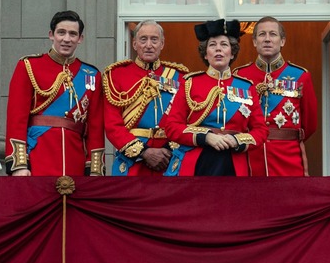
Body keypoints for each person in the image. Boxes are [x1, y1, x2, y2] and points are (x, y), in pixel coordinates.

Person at [159, 19, 268, 176]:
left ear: (232, 53)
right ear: (205, 53)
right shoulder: (190, 83)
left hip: (233, 162)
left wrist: (238, 140)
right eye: (212, 45)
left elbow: (261, 130)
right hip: (197, 161)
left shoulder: (246, 87)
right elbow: (172, 127)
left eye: (224, 45)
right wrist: (206, 137)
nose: (218, 49)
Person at [5, 10, 105, 177]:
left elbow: (95, 128)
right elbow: (16, 119)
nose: (67, 39)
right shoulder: (28, 66)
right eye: (61, 33)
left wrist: (94, 170)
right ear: (51, 35)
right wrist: (19, 165)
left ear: (80, 39)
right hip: (38, 159)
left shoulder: (92, 75)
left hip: (76, 163)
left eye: (73, 34)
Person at [102, 20, 188, 176]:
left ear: (162, 44)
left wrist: (167, 151)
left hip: (168, 161)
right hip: (131, 163)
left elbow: (186, 121)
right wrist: (145, 152)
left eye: (154, 40)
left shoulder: (180, 77)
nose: (149, 45)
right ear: (134, 44)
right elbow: (113, 125)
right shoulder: (117, 75)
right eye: (143, 39)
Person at [234, 16, 318, 176]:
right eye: (262, 34)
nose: (267, 39)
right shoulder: (240, 76)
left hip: (287, 158)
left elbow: (310, 124)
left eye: (273, 34)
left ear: (282, 41)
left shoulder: (301, 76)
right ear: (254, 42)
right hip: (250, 157)